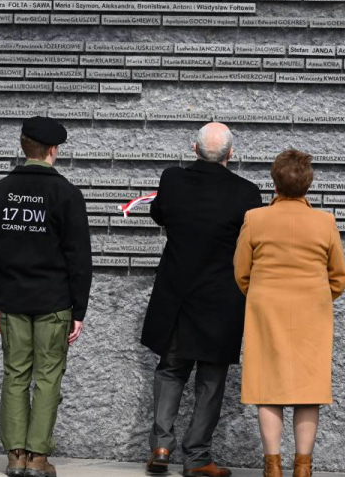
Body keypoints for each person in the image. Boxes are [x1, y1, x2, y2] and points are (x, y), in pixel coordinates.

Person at [141, 122, 262, 477]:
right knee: (211, 378)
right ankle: (196, 458)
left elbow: (158, 214)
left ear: (194, 150)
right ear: (231, 155)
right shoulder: (247, 193)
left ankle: (161, 446)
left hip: (176, 293)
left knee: (170, 369)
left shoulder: (172, 180)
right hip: (220, 299)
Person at [0, 116, 93, 477]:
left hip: (12, 300)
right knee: (47, 378)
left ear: (23, 147)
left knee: (14, 375)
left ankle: (14, 457)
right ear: (53, 151)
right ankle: (37, 458)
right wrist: (80, 308)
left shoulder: (1, 191)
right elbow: (79, 257)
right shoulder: (67, 194)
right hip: (54, 302)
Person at [233, 149, 345, 477]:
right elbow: (338, 275)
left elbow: (242, 271)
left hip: (266, 313)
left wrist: (259, 295)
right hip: (312, 314)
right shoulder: (324, 222)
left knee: (267, 389)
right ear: (308, 183)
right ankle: (303, 466)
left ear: (275, 181)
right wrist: (319, 298)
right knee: (308, 391)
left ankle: (272, 466)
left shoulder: (255, 218)